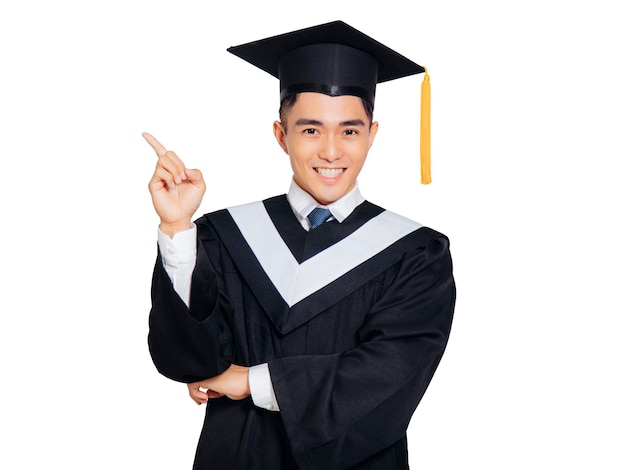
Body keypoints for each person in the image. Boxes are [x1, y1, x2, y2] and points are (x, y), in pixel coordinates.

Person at [145, 20, 456, 470]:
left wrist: (251, 381)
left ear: (372, 135)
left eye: (349, 131)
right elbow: (190, 361)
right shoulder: (225, 234)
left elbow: (388, 375)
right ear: (281, 134)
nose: (331, 151)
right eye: (311, 130)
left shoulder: (415, 254)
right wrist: (176, 226)